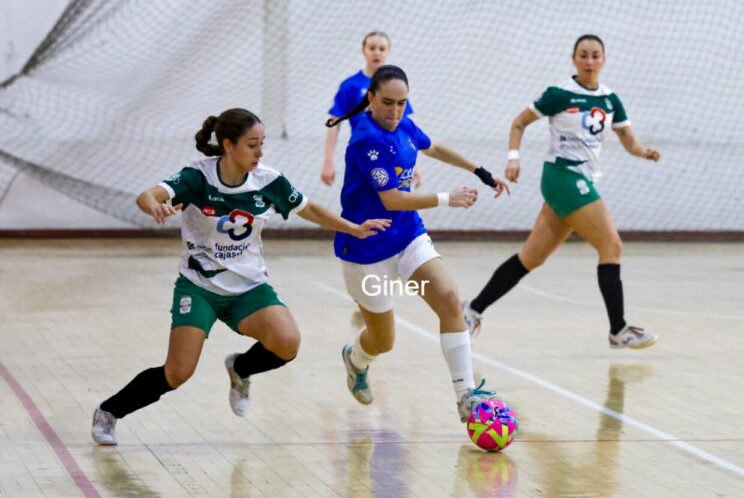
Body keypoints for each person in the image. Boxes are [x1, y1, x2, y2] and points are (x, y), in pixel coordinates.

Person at [91, 108, 390, 445]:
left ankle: (241, 369)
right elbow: (147, 196)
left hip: (249, 287)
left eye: (262, 144)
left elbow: (309, 208)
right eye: (252, 145)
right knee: (177, 373)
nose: (260, 153)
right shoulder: (197, 178)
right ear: (228, 145)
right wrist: (156, 206)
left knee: (287, 343)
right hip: (200, 286)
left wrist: (352, 228)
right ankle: (108, 412)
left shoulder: (268, 180)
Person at [326, 64, 511, 422]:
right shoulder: (366, 139)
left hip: (408, 237)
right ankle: (356, 359)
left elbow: (434, 147)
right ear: (370, 99)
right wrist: (446, 198)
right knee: (383, 341)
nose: (395, 111)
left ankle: (465, 396)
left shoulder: (403, 123)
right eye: (388, 103)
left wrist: (480, 172)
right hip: (366, 253)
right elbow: (392, 199)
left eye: (402, 103)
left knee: (448, 300)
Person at [462, 35, 661, 349]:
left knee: (531, 258)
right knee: (612, 246)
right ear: (574, 59)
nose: (589, 61)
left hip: (581, 180)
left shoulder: (611, 99)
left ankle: (472, 310)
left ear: (604, 60)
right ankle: (618, 329)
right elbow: (519, 123)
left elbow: (628, 140)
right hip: (562, 176)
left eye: (595, 56)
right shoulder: (559, 94)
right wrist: (513, 158)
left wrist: (644, 152)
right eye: (583, 55)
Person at [321, 31, 421, 188]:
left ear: (388, 52)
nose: (377, 53)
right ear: (363, 50)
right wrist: (328, 161)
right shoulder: (351, 85)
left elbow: (404, 125)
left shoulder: (396, 85)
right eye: (372, 48)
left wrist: (413, 162)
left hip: (394, 155)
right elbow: (334, 123)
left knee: (396, 204)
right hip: (364, 154)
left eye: (382, 49)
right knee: (365, 205)